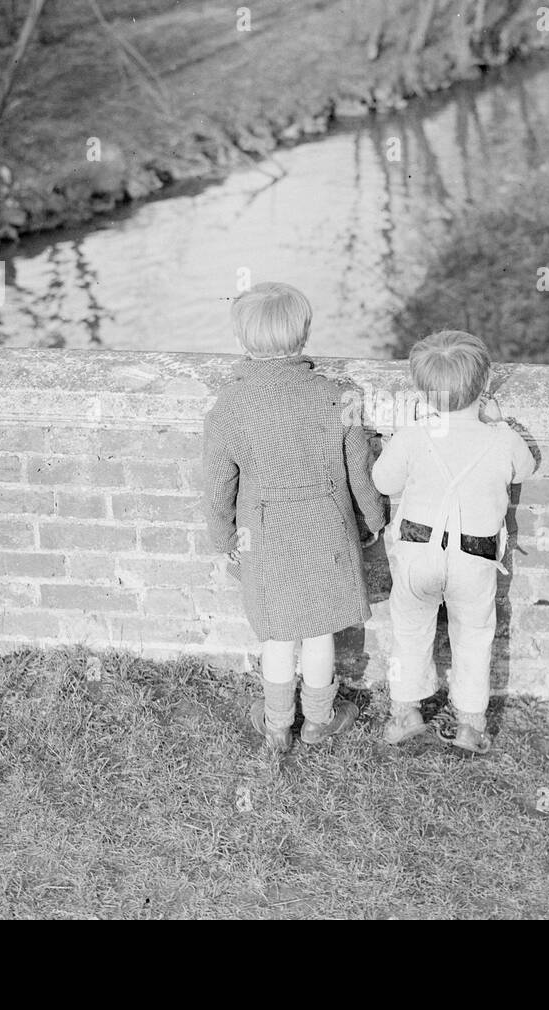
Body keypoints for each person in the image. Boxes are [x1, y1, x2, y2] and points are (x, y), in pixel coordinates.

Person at [202, 282, 386, 753]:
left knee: (278, 634)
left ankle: (278, 725)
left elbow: (219, 484)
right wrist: (372, 519)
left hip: (264, 534)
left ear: (243, 340)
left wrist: (222, 537)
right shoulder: (337, 396)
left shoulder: (229, 407)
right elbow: (359, 470)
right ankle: (320, 721)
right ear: (303, 334)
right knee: (321, 629)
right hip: (326, 527)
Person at [373, 330, 535, 754]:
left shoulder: (413, 434)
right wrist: (498, 422)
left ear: (423, 392)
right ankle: (470, 724)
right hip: (474, 556)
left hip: (417, 552)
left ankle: (405, 713)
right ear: (483, 386)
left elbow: (382, 481)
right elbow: (524, 469)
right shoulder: (501, 438)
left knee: (409, 630)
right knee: (474, 635)